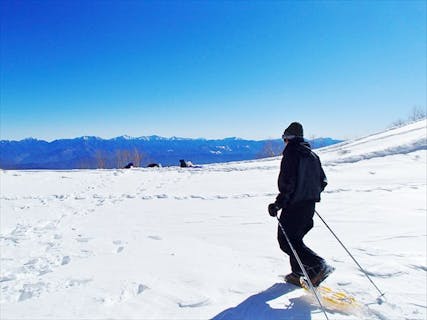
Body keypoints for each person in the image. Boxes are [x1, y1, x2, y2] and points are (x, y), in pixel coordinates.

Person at [268, 122, 333, 287]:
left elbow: (288, 183)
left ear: (289, 138)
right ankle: (299, 274)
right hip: (309, 205)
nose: (284, 142)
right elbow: (322, 181)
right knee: (295, 240)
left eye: (284, 138)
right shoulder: (312, 155)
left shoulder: (291, 153)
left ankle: (317, 265)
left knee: (286, 241)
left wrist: (278, 204)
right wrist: (309, 195)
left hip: (294, 206)